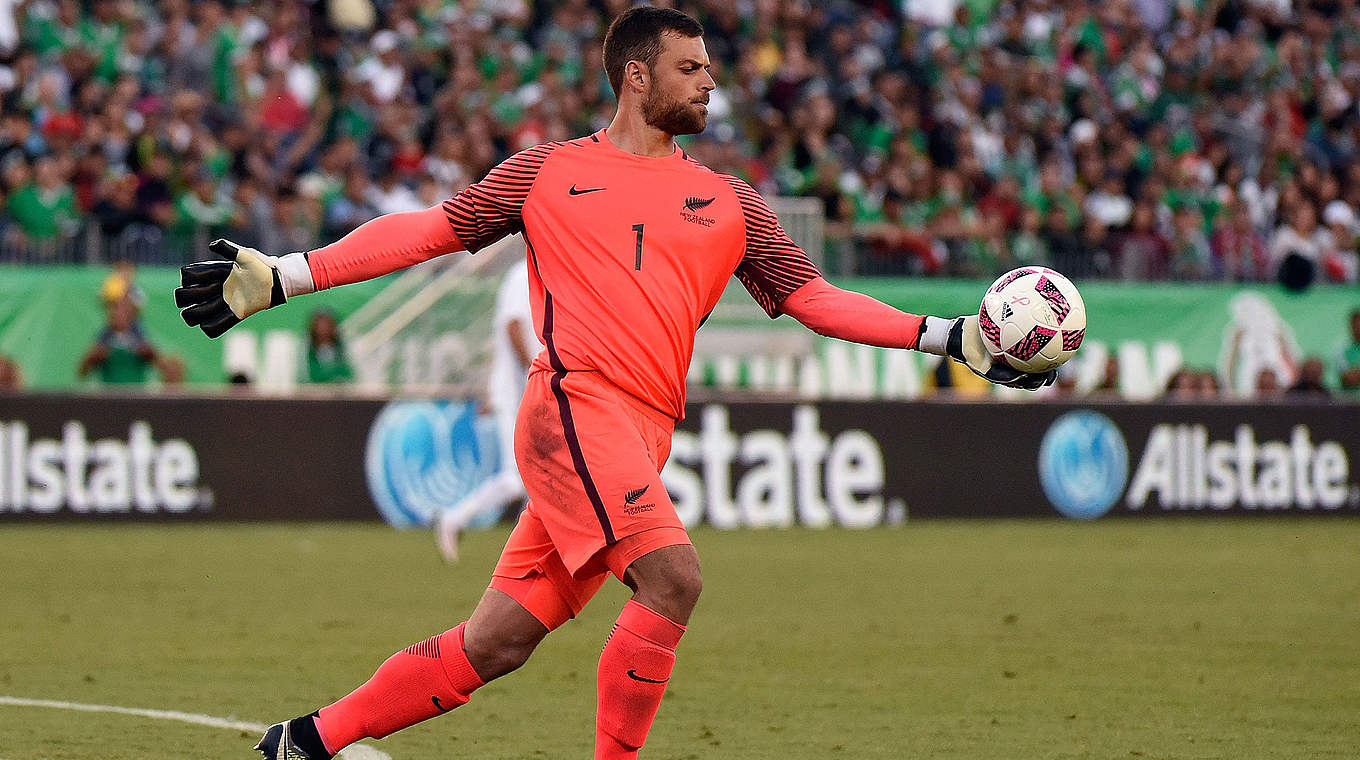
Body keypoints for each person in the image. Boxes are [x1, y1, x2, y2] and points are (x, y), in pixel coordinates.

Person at [173, 9, 1054, 760]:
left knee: (497, 643)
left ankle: (306, 741)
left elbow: (814, 299)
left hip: (637, 436)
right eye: (690, 67)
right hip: (572, 409)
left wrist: (953, 337)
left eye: (710, 66)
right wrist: (289, 275)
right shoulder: (545, 172)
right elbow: (429, 231)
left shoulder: (732, 202)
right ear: (636, 77)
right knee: (674, 580)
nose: (710, 81)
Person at [436, 258, 541, 562]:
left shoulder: (546, 274)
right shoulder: (522, 273)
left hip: (533, 391)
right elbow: (513, 325)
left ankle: (533, 552)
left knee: (541, 477)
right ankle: (455, 517)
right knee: (516, 480)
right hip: (516, 392)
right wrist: (534, 373)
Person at [77, 294, 158, 385]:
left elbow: (158, 362)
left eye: (123, 308)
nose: (118, 313)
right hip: (110, 395)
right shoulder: (103, 338)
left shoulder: (140, 337)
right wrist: (94, 356)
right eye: (115, 308)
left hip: (136, 394)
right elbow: (82, 371)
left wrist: (148, 352)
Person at [304, 309, 354, 384]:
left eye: (327, 325)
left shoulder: (344, 350)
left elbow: (349, 374)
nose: (323, 329)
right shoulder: (305, 351)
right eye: (319, 325)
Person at [1339, 309, 1360, 394]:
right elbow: (1349, 378)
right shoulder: (1341, 349)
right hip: (1350, 401)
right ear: (1351, 326)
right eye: (1357, 325)